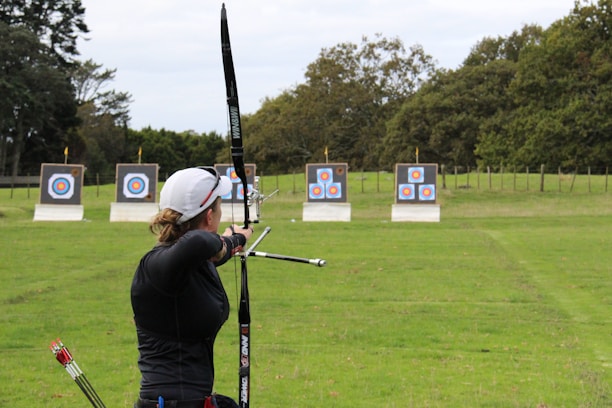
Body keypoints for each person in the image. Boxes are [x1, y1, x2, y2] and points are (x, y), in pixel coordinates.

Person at [131, 166, 253, 408]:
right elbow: (199, 242)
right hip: (169, 403)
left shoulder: (187, 265)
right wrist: (232, 241)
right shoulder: (158, 265)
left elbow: (205, 252)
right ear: (209, 216)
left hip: (193, 400)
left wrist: (235, 242)